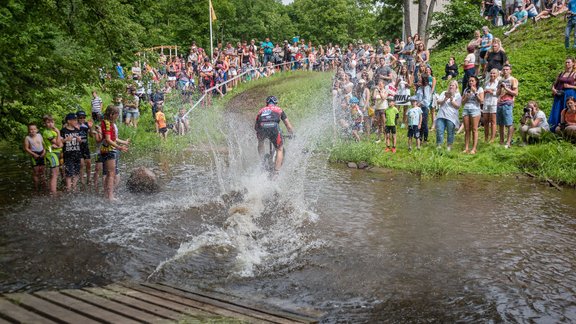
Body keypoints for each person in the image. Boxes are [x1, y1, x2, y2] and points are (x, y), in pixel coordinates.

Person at [255, 96, 294, 174]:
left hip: (262, 127)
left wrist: (260, 136)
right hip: (274, 127)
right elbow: (288, 126)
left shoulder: (261, 111)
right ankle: (276, 173)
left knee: (261, 142)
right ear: (276, 103)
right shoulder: (279, 110)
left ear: (266, 104)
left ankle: (262, 161)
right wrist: (292, 134)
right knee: (279, 149)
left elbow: (256, 126)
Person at [101, 105, 129, 200]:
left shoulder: (108, 123)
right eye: (116, 115)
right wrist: (119, 147)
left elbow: (113, 138)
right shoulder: (108, 124)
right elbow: (108, 139)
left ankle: (106, 194)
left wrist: (123, 143)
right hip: (109, 150)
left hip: (106, 150)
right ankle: (110, 196)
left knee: (109, 173)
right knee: (111, 174)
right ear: (111, 114)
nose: (117, 117)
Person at [549, 58, 576, 132]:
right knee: (557, 110)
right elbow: (555, 83)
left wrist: (570, 86)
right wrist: (553, 89)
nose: (567, 64)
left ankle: (568, 129)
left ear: (573, 63)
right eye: (566, 62)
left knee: (568, 109)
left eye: (569, 62)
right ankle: (555, 129)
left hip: (569, 94)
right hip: (559, 94)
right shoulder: (561, 73)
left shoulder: (575, 74)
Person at [436, 80, 463, 151]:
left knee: (450, 132)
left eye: (453, 85)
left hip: (451, 117)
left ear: (456, 87)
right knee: (439, 130)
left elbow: (458, 106)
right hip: (441, 115)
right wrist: (445, 99)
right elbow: (438, 102)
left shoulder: (458, 95)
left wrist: (452, 100)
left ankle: (449, 146)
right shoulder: (444, 93)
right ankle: (439, 145)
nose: (451, 86)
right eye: (450, 85)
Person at [497, 64, 519, 148]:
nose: (505, 71)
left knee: (509, 123)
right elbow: (497, 93)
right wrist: (500, 87)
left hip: (508, 103)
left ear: (510, 71)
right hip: (500, 102)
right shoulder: (500, 80)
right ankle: (501, 141)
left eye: (507, 69)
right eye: (504, 69)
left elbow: (516, 93)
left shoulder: (513, 80)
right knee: (500, 123)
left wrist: (506, 88)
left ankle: (508, 142)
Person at [461, 76, 485, 154]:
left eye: (472, 81)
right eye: (469, 81)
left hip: (475, 110)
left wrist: (475, 93)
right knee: (467, 129)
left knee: (474, 129)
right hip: (466, 109)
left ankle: (474, 148)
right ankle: (466, 148)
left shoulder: (480, 89)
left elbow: (481, 101)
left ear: (476, 82)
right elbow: (462, 102)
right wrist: (466, 97)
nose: (470, 82)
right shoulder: (466, 89)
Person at [60, 113, 82, 192]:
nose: (76, 121)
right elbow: (59, 142)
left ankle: (74, 186)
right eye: (74, 120)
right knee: (69, 172)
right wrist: (65, 140)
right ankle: (68, 187)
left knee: (77, 171)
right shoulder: (63, 131)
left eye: (76, 120)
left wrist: (79, 141)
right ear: (69, 121)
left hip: (77, 153)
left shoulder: (77, 130)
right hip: (68, 155)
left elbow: (80, 142)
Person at [42, 115, 62, 195]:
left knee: (56, 173)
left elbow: (60, 144)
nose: (50, 124)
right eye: (48, 122)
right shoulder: (47, 132)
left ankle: (53, 190)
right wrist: (58, 132)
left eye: (52, 122)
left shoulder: (53, 131)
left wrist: (58, 143)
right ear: (44, 123)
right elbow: (58, 143)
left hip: (56, 152)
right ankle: (53, 192)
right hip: (51, 154)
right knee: (54, 173)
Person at [23, 123, 46, 192]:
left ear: (37, 130)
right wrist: (33, 154)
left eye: (34, 129)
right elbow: (26, 148)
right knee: (36, 172)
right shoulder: (27, 138)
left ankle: (44, 188)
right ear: (28, 130)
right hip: (34, 154)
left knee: (43, 172)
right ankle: (36, 188)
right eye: (31, 129)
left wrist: (44, 152)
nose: (32, 131)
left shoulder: (39, 135)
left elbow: (44, 144)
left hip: (42, 153)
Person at [483, 68, 500, 143]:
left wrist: (491, 92)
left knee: (493, 121)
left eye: (494, 73)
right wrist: (486, 91)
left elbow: (499, 93)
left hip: (494, 102)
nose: (492, 75)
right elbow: (483, 91)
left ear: (497, 74)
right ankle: (486, 137)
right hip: (486, 102)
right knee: (485, 121)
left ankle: (492, 138)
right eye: (491, 73)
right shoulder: (486, 82)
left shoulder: (498, 83)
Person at [76, 111, 92, 189]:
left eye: (83, 117)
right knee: (81, 165)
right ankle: (82, 181)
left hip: (85, 146)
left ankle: (89, 180)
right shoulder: (75, 125)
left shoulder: (86, 125)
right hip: (78, 147)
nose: (82, 119)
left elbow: (91, 135)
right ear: (77, 118)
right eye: (80, 117)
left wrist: (90, 127)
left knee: (88, 164)